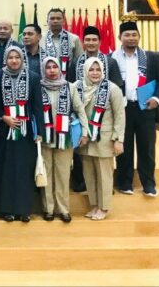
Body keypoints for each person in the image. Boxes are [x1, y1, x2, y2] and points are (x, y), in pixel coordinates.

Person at [0, 46, 43, 222]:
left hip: (26, 132)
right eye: (10, 57)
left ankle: (24, 209)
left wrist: (39, 131)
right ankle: (6, 209)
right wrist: (3, 117)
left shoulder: (33, 77)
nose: (14, 60)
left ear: (22, 59)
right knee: (6, 169)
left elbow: (37, 106)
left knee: (24, 169)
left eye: (17, 57)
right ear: (6, 59)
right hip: (5, 131)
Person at [112, 21, 159, 196]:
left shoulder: (151, 57)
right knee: (124, 147)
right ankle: (124, 182)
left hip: (145, 108)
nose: (131, 38)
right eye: (127, 35)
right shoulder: (111, 58)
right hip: (123, 109)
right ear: (120, 37)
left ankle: (148, 183)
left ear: (139, 37)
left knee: (147, 147)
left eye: (134, 35)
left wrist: (156, 98)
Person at [67, 25, 123, 193]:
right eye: (87, 40)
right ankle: (80, 182)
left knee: (102, 155)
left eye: (94, 40)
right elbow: (70, 86)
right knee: (81, 153)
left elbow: (117, 87)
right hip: (82, 113)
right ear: (83, 42)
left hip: (103, 116)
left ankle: (104, 189)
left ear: (99, 42)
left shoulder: (110, 62)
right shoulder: (76, 62)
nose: (90, 43)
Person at [38, 57, 88, 223]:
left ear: (60, 69)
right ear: (43, 70)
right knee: (46, 173)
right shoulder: (38, 87)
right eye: (48, 67)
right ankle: (48, 209)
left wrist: (84, 132)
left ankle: (63, 209)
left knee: (63, 174)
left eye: (55, 67)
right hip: (44, 138)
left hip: (64, 138)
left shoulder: (70, 87)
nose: (52, 70)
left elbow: (80, 110)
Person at [75, 58, 125, 220]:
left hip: (105, 139)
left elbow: (120, 115)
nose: (95, 73)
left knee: (104, 175)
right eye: (91, 69)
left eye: (98, 69)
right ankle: (94, 205)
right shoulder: (77, 87)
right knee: (89, 175)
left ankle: (104, 207)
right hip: (85, 139)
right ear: (85, 71)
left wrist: (118, 139)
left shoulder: (112, 89)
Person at [45, 8, 82, 76]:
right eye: (52, 18)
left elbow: (80, 61)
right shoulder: (40, 39)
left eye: (58, 18)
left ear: (63, 21)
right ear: (47, 21)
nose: (55, 21)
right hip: (44, 78)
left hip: (67, 78)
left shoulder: (74, 38)